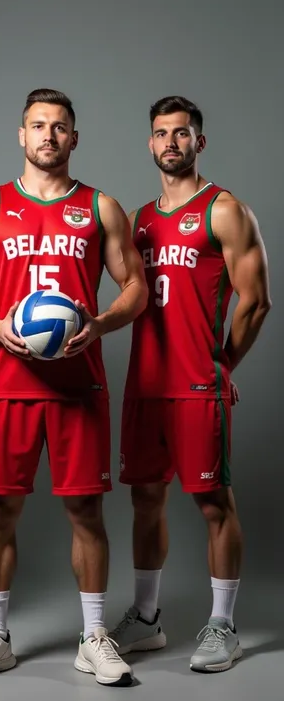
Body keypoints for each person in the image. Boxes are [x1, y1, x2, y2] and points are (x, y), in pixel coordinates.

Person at [0, 88, 148, 686]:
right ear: (21, 135)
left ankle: (92, 638)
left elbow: (134, 286)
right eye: (38, 126)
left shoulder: (101, 207)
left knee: (86, 511)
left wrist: (102, 323)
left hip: (79, 385)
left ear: (74, 138)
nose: (49, 137)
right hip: (9, 381)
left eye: (60, 128)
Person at [110, 95, 272, 672]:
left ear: (199, 142)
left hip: (196, 386)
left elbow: (256, 303)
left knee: (213, 504)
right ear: (150, 143)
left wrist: (221, 363)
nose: (171, 142)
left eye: (182, 133)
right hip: (144, 386)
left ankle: (222, 625)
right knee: (144, 499)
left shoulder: (225, 211)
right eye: (161, 134)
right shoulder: (139, 220)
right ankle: (147, 618)